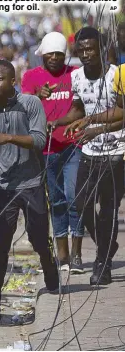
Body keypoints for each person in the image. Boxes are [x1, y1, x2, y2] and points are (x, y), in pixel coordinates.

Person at [0, 60, 59, 325]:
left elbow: (39, 140)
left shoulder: (30, 104)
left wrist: (7, 138)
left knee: (37, 238)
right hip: (4, 186)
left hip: (32, 183)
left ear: (13, 82)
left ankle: (49, 264)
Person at [52, 27, 124, 285]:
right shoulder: (77, 77)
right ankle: (107, 245)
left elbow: (121, 113)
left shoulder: (117, 74)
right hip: (89, 151)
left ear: (102, 49)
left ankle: (102, 266)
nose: (85, 54)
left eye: (90, 48)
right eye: (81, 50)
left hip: (116, 152)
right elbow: (77, 109)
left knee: (108, 210)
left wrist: (92, 125)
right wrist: (58, 122)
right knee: (80, 204)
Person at [21, 32, 83, 274]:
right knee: (56, 202)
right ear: (43, 55)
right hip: (46, 151)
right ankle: (63, 256)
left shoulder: (74, 75)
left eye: (59, 54)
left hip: (72, 146)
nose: (55, 58)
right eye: (51, 54)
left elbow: (80, 109)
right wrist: (38, 95)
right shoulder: (31, 77)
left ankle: (77, 255)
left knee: (74, 197)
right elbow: (22, 106)